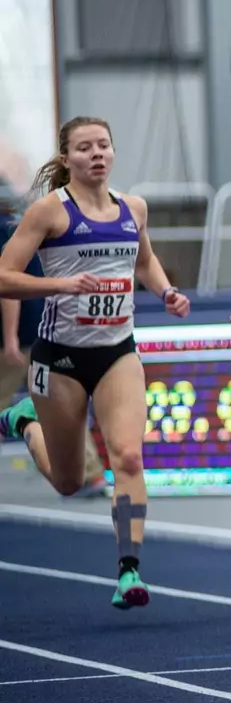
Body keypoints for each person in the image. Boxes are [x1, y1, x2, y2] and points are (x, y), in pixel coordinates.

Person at [0, 117, 191, 608]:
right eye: (85, 148)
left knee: (128, 457)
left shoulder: (134, 208)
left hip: (117, 352)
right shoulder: (49, 213)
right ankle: (26, 420)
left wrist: (165, 290)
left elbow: (143, 259)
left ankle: (129, 571)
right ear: (67, 158)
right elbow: (4, 276)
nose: (97, 154)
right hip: (59, 358)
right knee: (68, 482)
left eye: (104, 145)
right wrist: (59, 285)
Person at [1, 194, 105, 495]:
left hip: (24, 338)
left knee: (61, 405)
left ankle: (87, 472)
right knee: (65, 407)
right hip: (50, 332)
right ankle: (91, 473)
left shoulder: (13, 233)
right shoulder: (39, 227)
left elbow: (8, 289)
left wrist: (10, 339)